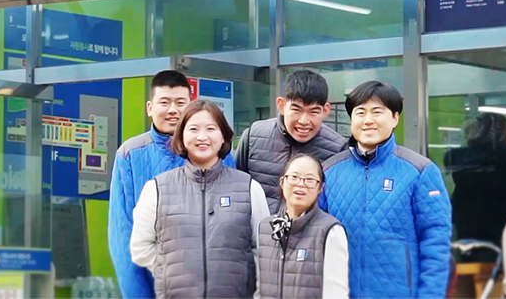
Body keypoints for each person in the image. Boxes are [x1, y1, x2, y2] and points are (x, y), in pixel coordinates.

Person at [320, 81, 452, 298]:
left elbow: (436, 242)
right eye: (360, 112)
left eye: (377, 112)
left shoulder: (420, 171)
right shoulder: (329, 171)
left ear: (395, 118)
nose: (368, 120)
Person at [130, 100, 270, 299]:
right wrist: (167, 272)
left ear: (223, 136)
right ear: (181, 136)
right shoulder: (157, 189)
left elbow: (265, 248)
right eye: (193, 129)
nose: (202, 137)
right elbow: (140, 247)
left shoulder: (249, 188)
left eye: (211, 129)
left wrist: (245, 277)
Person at [110, 70, 229, 298]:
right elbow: (122, 234)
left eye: (180, 103)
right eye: (164, 102)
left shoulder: (216, 150)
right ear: (149, 108)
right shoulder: (130, 155)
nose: (173, 110)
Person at [234, 69, 347, 213]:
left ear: (326, 110)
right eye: (296, 109)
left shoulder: (337, 149)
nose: (304, 121)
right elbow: (236, 187)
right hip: (258, 225)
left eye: (313, 111)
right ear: (281, 105)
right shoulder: (253, 136)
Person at [256, 154, 349, 299]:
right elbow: (259, 289)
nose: (300, 184)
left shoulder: (330, 230)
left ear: (320, 188)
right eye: (294, 177)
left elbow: (336, 293)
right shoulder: (266, 227)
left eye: (310, 180)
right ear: (282, 182)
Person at [444, 112, 506, 247]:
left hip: (467, 244)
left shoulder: (463, 168)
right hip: (505, 244)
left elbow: (458, 208)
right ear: (504, 135)